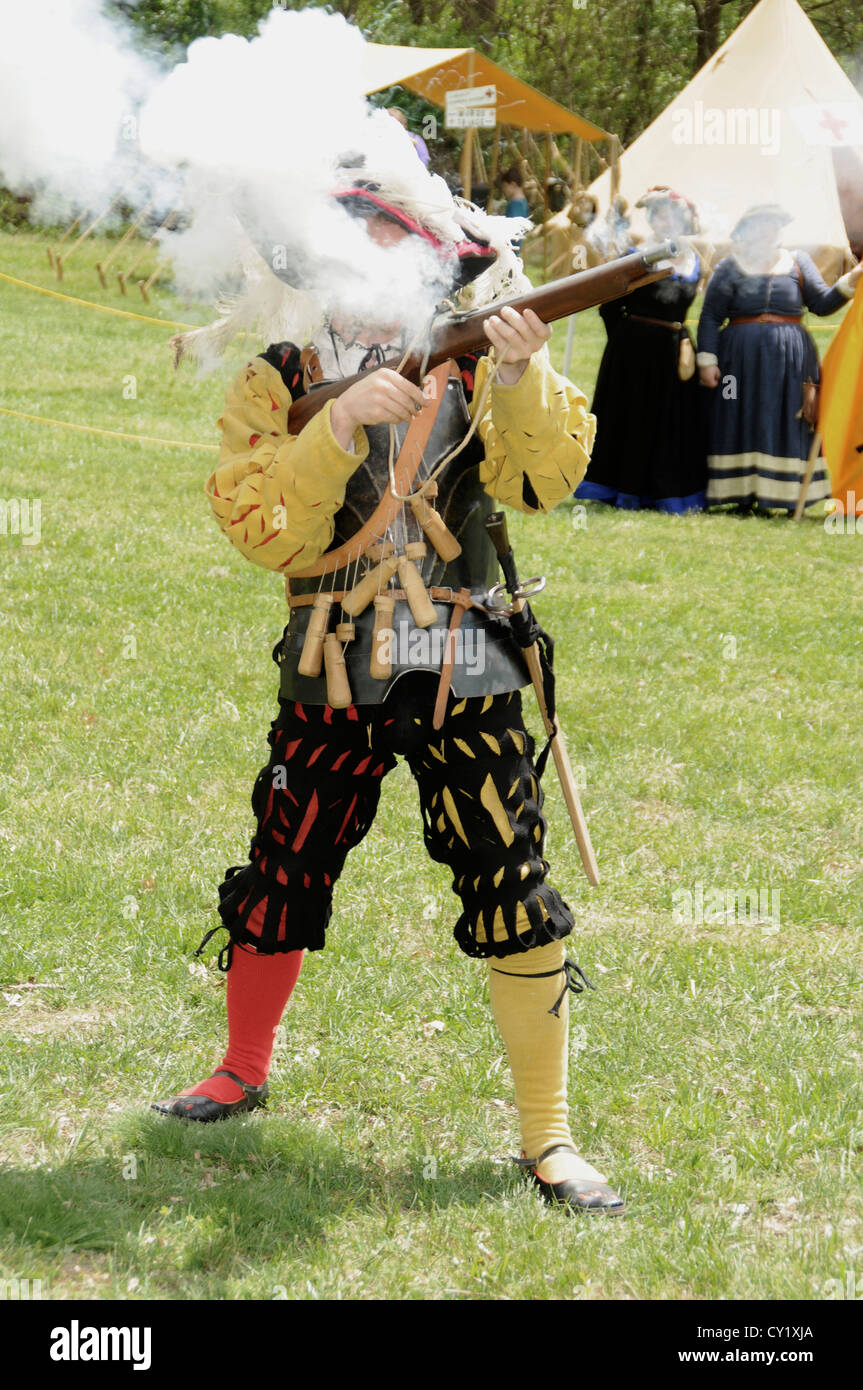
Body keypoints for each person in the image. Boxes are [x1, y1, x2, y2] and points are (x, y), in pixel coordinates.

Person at [151, 154, 624, 1217]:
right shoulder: (279, 375)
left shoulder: (479, 356)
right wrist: (333, 427)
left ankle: (548, 1137)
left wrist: (517, 378)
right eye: (353, 232)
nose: (370, 250)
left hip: (464, 653)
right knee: (286, 859)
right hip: (329, 648)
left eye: (387, 234)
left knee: (510, 881)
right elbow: (262, 528)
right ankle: (239, 1066)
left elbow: (541, 481)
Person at [697, 203, 862, 513]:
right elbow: (709, 316)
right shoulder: (731, 266)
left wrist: (851, 280)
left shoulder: (798, 261)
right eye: (761, 224)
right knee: (738, 413)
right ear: (747, 229)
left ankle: (787, 497)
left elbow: (822, 304)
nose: (768, 230)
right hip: (738, 360)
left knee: (789, 415)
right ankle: (742, 494)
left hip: (791, 359)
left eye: (774, 224)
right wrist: (707, 360)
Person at [575, 186, 708, 511]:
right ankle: (625, 489)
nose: (663, 220)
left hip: (674, 350)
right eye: (657, 214)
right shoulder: (637, 256)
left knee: (670, 421)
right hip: (632, 352)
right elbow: (609, 303)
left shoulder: (694, 260)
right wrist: (623, 340)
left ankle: (666, 492)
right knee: (632, 417)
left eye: (670, 214)